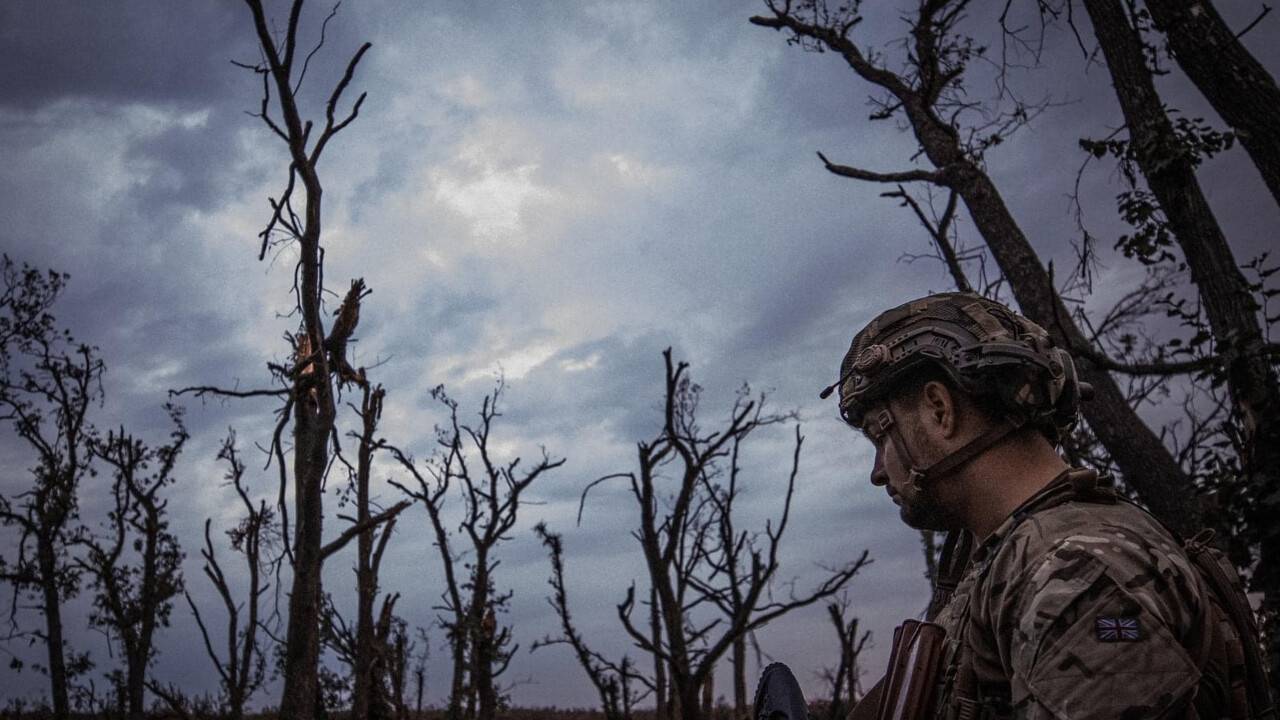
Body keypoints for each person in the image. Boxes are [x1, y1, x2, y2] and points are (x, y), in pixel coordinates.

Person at [826, 292, 1265, 720]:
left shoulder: (1076, 569)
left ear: (940, 410)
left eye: (880, 436)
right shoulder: (1016, 561)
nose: (878, 472)